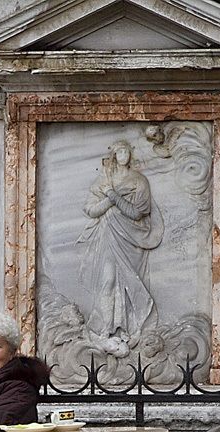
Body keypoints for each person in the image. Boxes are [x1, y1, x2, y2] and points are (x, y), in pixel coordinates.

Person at [77, 139, 163, 358]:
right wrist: (109, 199)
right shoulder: (102, 181)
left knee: (128, 281)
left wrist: (113, 196)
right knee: (107, 281)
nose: (123, 154)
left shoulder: (139, 181)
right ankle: (102, 329)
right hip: (107, 235)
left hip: (130, 238)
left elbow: (137, 213)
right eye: (119, 151)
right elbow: (91, 210)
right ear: (114, 155)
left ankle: (129, 329)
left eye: (126, 150)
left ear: (130, 154)